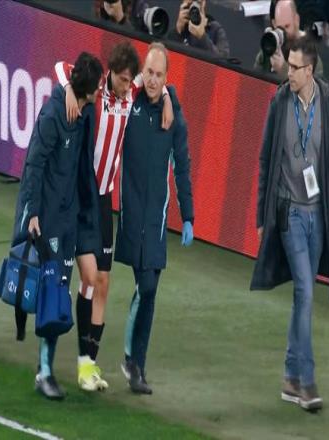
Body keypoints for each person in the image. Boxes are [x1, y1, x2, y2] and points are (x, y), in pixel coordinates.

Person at [54, 41, 174, 392]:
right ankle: (79, 361)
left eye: (128, 80)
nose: (127, 86)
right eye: (122, 80)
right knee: (88, 277)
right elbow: (61, 67)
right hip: (82, 197)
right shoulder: (98, 92)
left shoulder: (132, 92)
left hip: (105, 200)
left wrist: (167, 98)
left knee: (103, 282)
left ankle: (90, 364)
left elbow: (158, 83)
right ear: (111, 75)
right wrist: (68, 90)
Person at [250, 36, 329, 411]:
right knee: (305, 291)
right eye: (289, 65)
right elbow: (266, 160)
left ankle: (290, 376)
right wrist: (261, 216)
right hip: (289, 214)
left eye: (295, 67)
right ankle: (307, 384)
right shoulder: (279, 102)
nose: (289, 72)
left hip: (318, 215)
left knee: (304, 295)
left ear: (310, 71)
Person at [11, 52, 103, 401]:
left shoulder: (83, 113)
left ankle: (44, 367)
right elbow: (34, 164)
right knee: (49, 291)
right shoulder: (53, 116)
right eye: (95, 88)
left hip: (69, 217)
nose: (99, 92)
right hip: (48, 216)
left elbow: (66, 68)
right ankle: (44, 371)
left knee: (58, 291)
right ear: (86, 89)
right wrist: (33, 211)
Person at [116, 42, 194, 395]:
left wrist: (188, 216)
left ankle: (137, 366)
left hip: (157, 220)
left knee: (150, 291)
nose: (152, 79)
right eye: (148, 72)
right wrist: (166, 96)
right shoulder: (129, 101)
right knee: (145, 286)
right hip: (131, 214)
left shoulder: (174, 118)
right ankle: (130, 359)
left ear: (166, 77)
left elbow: (183, 168)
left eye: (159, 75)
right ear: (141, 71)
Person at [255, 0, 323, 79]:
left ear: (296, 20)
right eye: (279, 27)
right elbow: (254, 80)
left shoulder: (310, 56)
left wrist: (283, 69)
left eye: (287, 26)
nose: (283, 33)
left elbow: (313, 85)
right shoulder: (269, 48)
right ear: (274, 23)